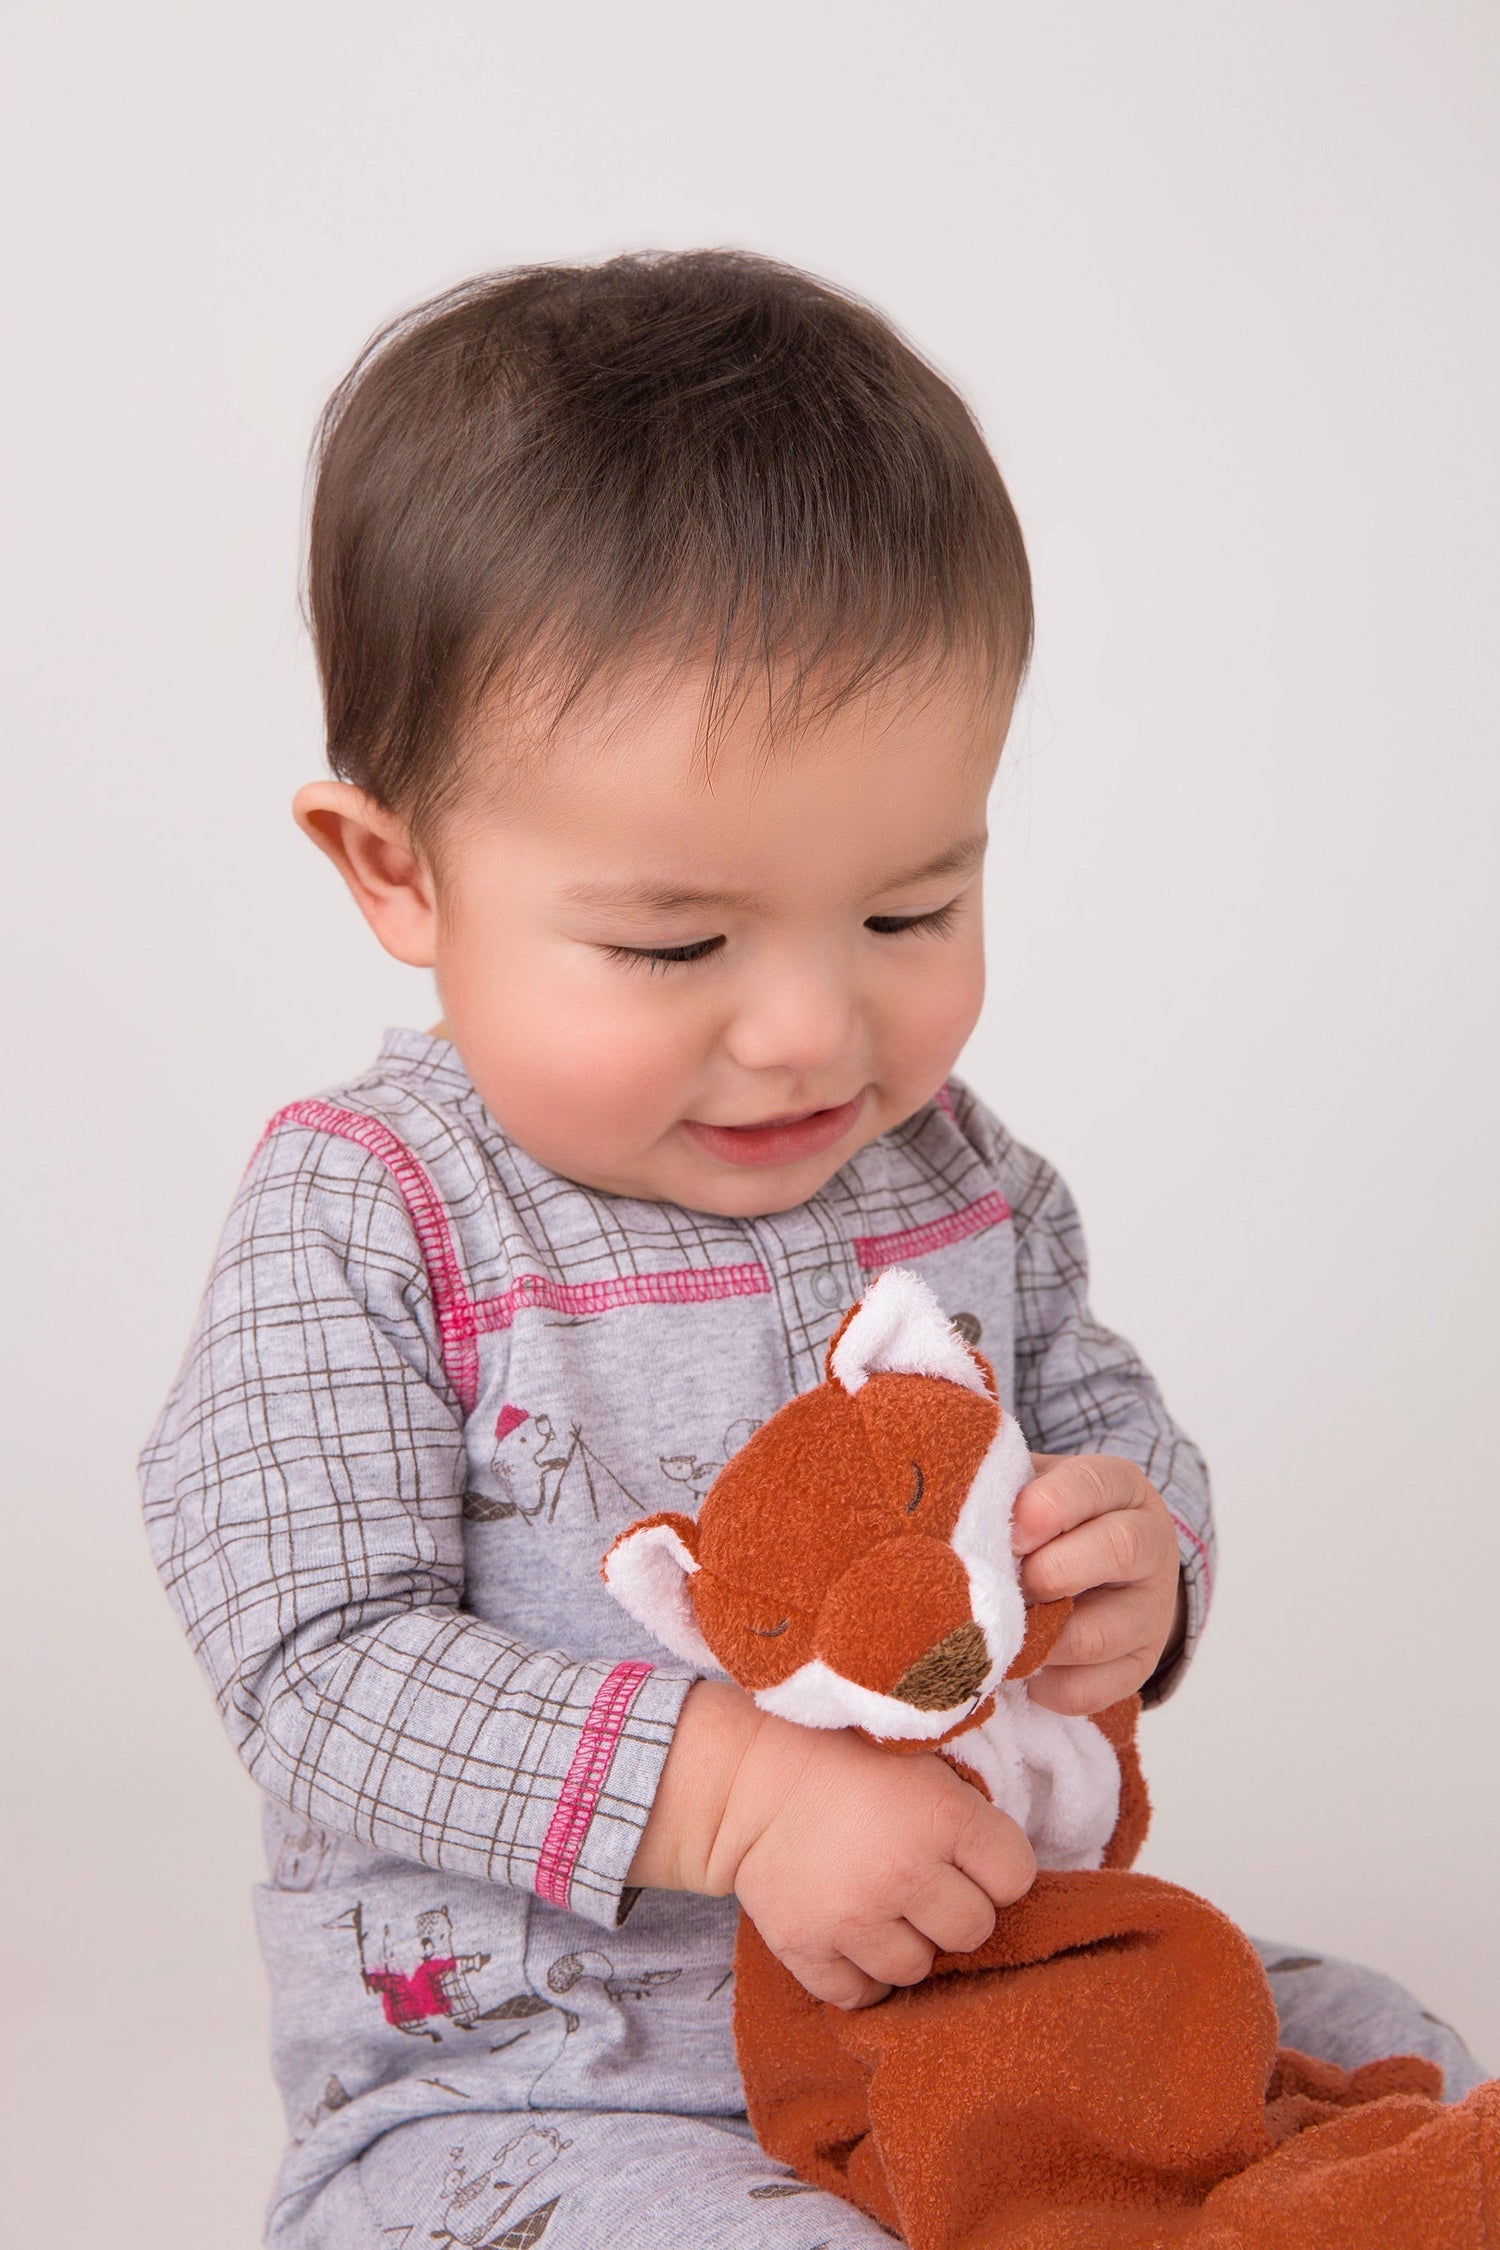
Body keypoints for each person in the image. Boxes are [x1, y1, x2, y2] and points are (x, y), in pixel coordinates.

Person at [142, 252, 1486, 2250]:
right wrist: (740, 1797)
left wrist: (1137, 1563)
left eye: (906, 911)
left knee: (1385, 2046)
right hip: (558, 2071)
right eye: (677, 942)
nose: (806, 1032)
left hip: (982, 1979)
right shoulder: (373, 1211)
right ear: (398, 871)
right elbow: (314, 1662)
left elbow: (1098, 1411)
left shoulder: (952, 1169)